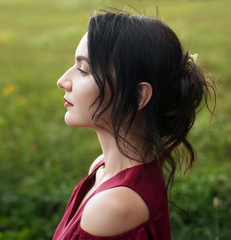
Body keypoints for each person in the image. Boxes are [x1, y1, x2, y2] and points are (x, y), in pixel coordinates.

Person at [53, 9, 215, 240]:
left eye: (83, 70)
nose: (63, 81)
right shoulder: (102, 169)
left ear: (138, 96)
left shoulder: (113, 205)